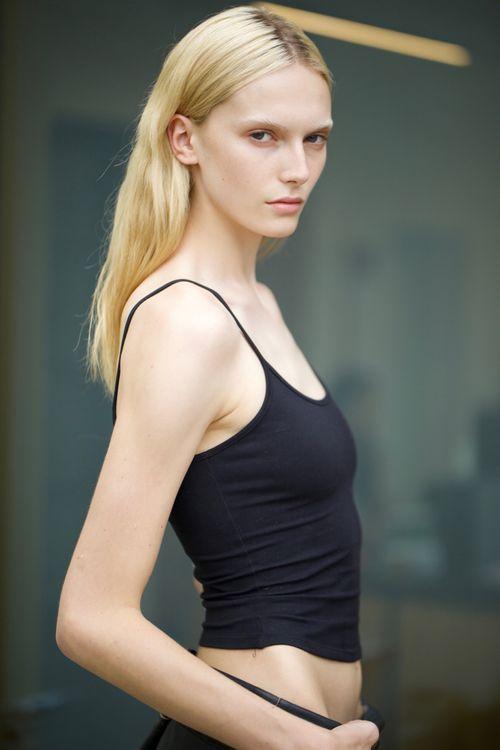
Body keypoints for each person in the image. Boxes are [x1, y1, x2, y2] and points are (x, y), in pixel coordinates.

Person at [55, 5, 384, 749]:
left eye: (315, 138)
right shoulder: (187, 319)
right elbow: (90, 617)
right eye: (262, 135)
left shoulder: (254, 303)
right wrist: (298, 741)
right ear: (185, 139)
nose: (297, 168)